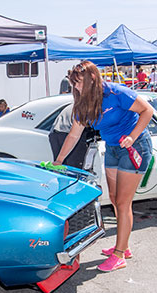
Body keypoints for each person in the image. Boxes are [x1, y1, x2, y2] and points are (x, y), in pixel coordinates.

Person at [54, 61, 153, 272]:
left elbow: (147, 111)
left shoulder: (115, 92)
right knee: (116, 200)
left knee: (124, 202)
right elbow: (74, 134)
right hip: (113, 148)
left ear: (91, 79)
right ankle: (123, 246)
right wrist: (59, 161)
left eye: (79, 83)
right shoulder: (83, 103)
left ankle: (119, 255)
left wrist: (132, 136)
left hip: (135, 147)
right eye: (74, 84)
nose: (77, 88)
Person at [49, 104, 88, 169]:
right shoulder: (89, 106)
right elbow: (74, 135)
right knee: (73, 170)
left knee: (61, 168)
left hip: (55, 131)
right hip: (68, 132)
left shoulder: (80, 103)